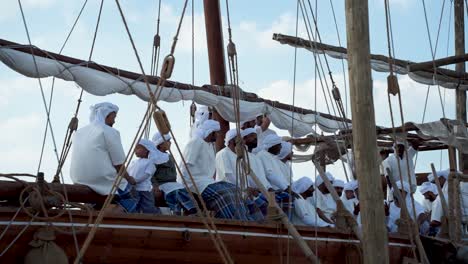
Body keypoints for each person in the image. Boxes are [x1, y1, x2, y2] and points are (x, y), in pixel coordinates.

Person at [70, 102, 137, 212]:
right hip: (102, 180)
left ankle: (94, 209)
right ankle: (120, 216)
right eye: (114, 117)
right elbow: (119, 164)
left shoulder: (79, 132)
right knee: (134, 196)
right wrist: (129, 179)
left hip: (78, 179)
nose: (114, 121)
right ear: (106, 115)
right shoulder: (109, 131)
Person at [179, 120, 250, 220]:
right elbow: (185, 167)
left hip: (207, 182)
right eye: (217, 133)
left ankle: (243, 219)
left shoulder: (210, 146)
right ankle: (234, 220)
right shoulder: (196, 142)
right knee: (225, 193)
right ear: (211, 132)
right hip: (194, 183)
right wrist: (185, 187)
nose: (218, 136)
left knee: (234, 189)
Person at [151, 132, 197, 215]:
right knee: (175, 193)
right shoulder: (154, 157)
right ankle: (178, 210)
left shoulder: (169, 156)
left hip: (173, 183)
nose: (170, 143)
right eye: (168, 141)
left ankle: (190, 209)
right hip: (162, 184)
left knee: (185, 191)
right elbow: (151, 173)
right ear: (160, 144)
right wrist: (155, 186)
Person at [128, 139, 166, 214]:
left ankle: (159, 213)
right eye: (135, 148)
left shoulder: (150, 162)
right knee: (135, 204)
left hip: (144, 189)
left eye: (138, 148)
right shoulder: (133, 162)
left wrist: (135, 180)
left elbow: (146, 175)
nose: (135, 150)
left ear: (147, 150)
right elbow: (129, 172)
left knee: (147, 206)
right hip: (133, 188)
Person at [255, 134, 292, 206]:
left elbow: (279, 176)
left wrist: (287, 186)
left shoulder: (272, 157)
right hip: (271, 191)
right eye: (279, 145)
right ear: (272, 145)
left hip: (278, 190)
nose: (281, 147)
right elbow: (270, 174)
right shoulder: (262, 155)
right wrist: (286, 188)